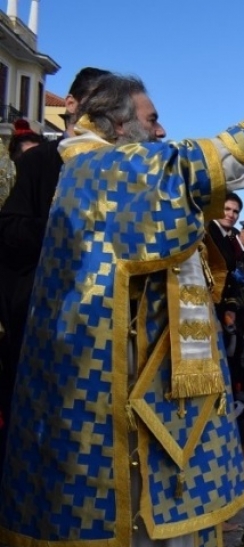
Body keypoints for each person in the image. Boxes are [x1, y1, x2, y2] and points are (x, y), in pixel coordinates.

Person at [0, 72, 244, 547]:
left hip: (132, 358)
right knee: (96, 487)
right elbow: (178, 169)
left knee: (151, 473)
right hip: (89, 367)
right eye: (151, 120)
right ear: (117, 125)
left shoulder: (112, 167)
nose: (161, 131)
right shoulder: (89, 164)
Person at [0, 66, 110, 478]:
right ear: (72, 105)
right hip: (41, 314)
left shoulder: (115, 167)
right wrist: (62, 225)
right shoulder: (41, 162)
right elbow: (11, 231)